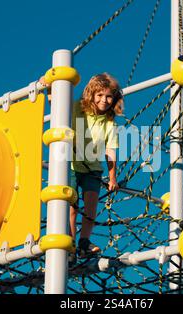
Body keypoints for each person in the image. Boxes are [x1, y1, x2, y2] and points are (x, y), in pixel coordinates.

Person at [40, 73, 123, 259]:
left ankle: (84, 242)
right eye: (100, 95)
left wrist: (112, 178)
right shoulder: (78, 108)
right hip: (70, 164)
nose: (104, 100)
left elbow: (110, 151)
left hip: (92, 168)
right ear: (91, 94)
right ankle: (69, 240)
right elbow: (57, 105)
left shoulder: (109, 122)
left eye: (109, 96)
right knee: (71, 206)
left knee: (91, 204)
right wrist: (49, 88)